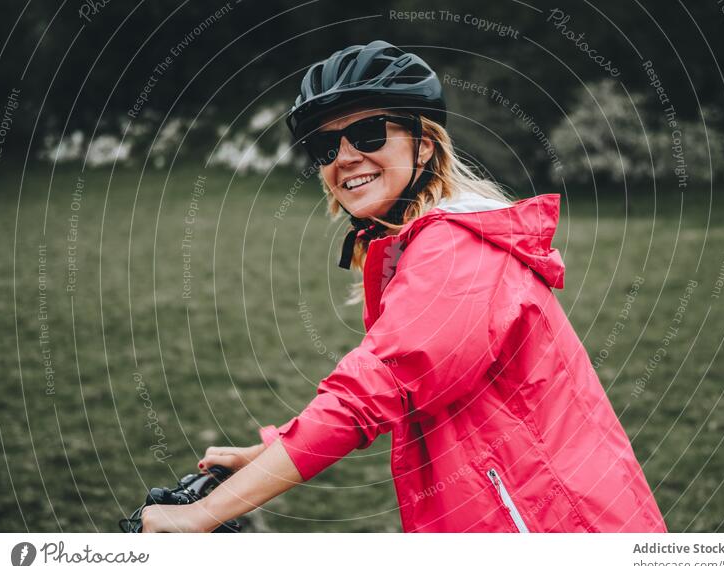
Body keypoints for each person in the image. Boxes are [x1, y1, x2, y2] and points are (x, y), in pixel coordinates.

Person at [142, 40, 667, 533]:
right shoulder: (430, 245)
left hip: (550, 526)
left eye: (369, 133)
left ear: (423, 145)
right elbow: (405, 386)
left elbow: (371, 392)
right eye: (325, 145)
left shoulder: (457, 250)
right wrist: (274, 451)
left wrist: (201, 515)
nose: (344, 156)